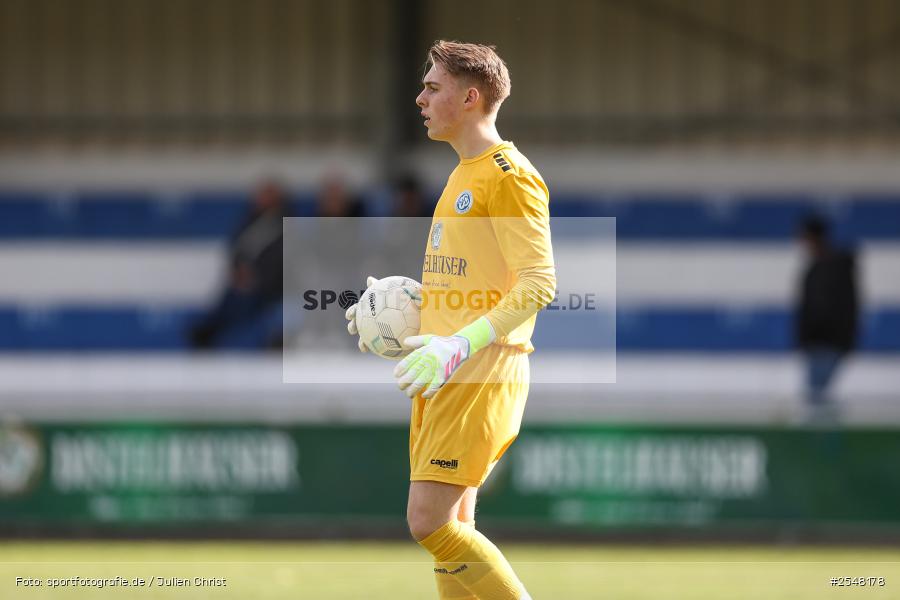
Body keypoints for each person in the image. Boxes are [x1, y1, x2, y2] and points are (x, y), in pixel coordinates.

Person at [346, 41, 555, 599]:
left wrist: (458, 344)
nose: (420, 99)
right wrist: (397, 304)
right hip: (447, 368)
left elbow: (539, 284)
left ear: (469, 98)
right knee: (453, 526)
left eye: (432, 87)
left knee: (429, 523)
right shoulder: (465, 173)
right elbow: (475, 277)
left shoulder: (508, 175)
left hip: (480, 367)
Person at [189, 180, 287, 349]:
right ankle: (208, 334)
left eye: (267, 195)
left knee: (246, 303)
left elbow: (281, 261)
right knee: (230, 300)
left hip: (271, 289)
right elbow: (237, 250)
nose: (261, 199)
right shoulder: (248, 224)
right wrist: (239, 271)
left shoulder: (283, 226)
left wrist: (257, 279)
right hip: (243, 285)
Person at [795, 215, 859, 420]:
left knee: (817, 400)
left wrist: (841, 339)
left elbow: (841, 308)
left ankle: (824, 438)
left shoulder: (832, 267)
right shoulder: (819, 266)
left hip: (827, 342)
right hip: (819, 342)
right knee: (816, 398)